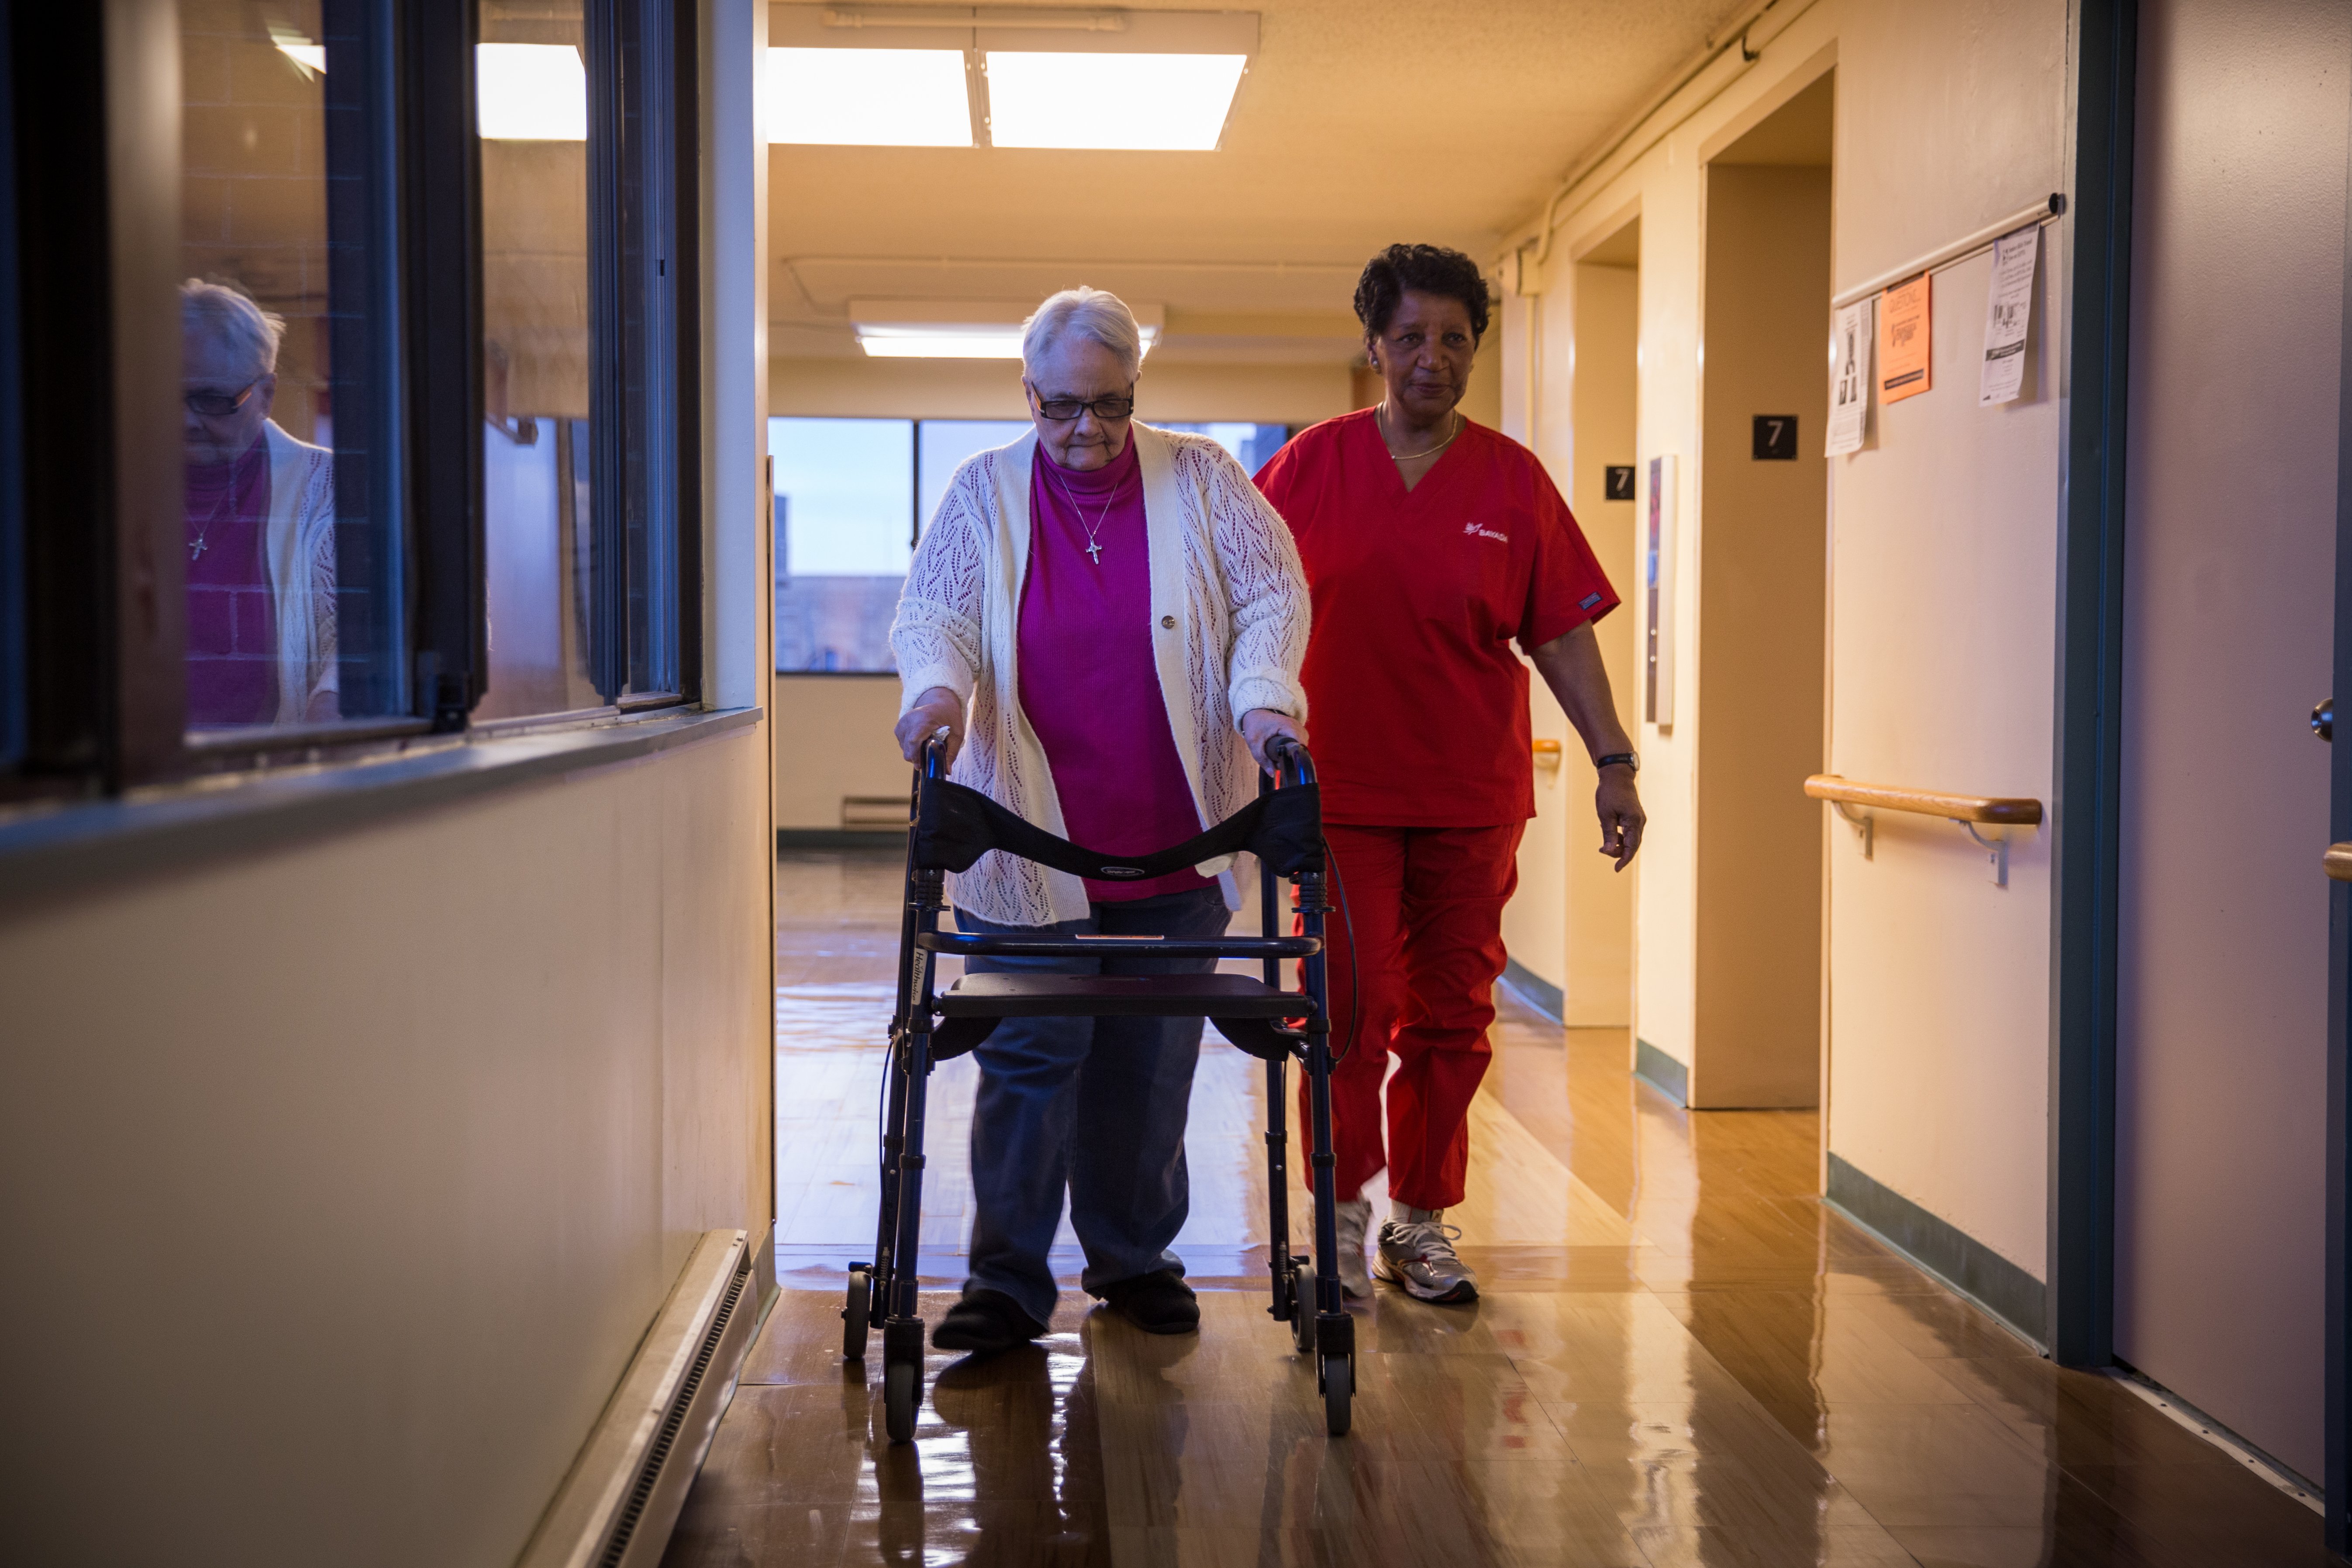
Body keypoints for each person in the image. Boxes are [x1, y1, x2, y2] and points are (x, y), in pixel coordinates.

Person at [889, 286, 1310, 1352]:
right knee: (1031, 1056)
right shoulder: (982, 491)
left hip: (1180, 837)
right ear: (1027, 394)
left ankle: (1132, 1262)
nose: (1088, 431)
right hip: (1027, 841)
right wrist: (935, 694)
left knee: (1150, 1061)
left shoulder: (1204, 478)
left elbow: (1271, 593)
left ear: (1136, 392)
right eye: (1064, 407)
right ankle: (1006, 1282)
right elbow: (935, 610)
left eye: (1111, 406)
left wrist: (1264, 695)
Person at [1252, 244, 1645, 1305]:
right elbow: (1240, 613)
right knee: (1347, 1006)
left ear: (1476, 348)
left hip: (1471, 795)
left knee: (1451, 1012)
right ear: (1375, 346)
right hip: (1337, 797)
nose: (1434, 358)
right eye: (1412, 337)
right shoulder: (1304, 470)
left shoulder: (1512, 482)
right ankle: (1337, 1212)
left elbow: (1561, 634)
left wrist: (1612, 759)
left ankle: (1419, 1221)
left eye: (1455, 339)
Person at [182, 279, 338, 728]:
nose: (183, 421)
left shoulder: (336, 491)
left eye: (210, 401)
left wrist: (336, 699)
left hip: (274, 781)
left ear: (266, 395)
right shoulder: (99, 489)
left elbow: (376, 633)